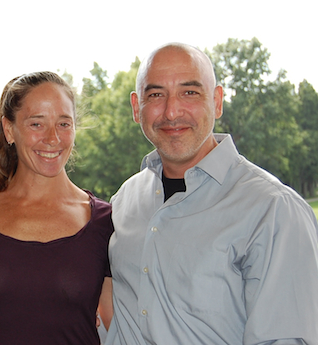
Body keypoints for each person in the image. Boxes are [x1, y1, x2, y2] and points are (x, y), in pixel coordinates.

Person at [105, 42, 318, 344]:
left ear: (217, 101)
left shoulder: (273, 210)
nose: (171, 111)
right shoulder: (124, 201)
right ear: (136, 107)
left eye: (189, 92)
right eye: (156, 95)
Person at [0, 71, 114, 344]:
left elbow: (122, 321)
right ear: (9, 129)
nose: (52, 138)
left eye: (64, 123)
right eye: (37, 124)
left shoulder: (104, 222)